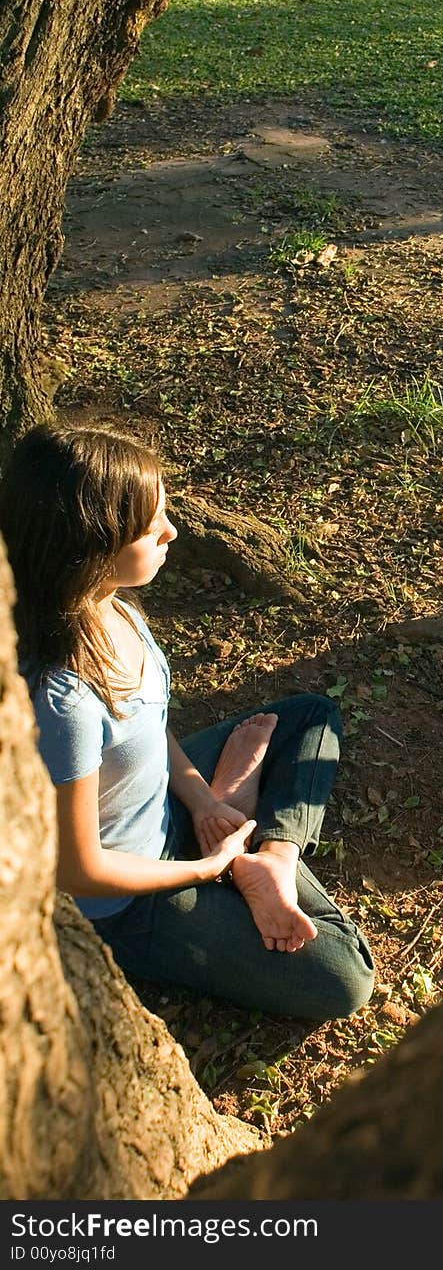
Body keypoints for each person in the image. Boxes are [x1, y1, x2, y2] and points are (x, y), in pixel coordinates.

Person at [0, 424, 374, 1019]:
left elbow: (149, 727)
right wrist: (204, 868)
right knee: (344, 976)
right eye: (153, 527)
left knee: (310, 716)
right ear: (96, 543)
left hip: (164, 807)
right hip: (126, 901)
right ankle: (249, 847)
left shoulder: (112, 606)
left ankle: (270, 854)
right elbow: (77, 868)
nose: (174, 532)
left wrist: (202, 800)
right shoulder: (60, 698)